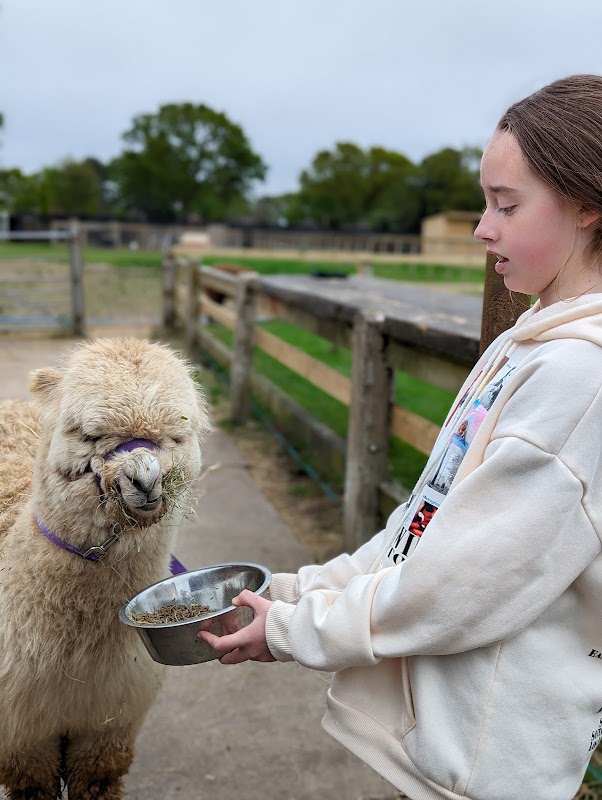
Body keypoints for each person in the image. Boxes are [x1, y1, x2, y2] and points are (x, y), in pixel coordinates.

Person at [199, 74, 602, 800]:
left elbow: (460, 584)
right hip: (443, 753)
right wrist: (292, 592)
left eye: (506, 205)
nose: (484, 228)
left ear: (587, 208)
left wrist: (295, 631)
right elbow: (426, 524)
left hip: (489, 768)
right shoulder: (523, 344)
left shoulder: (582, 378)